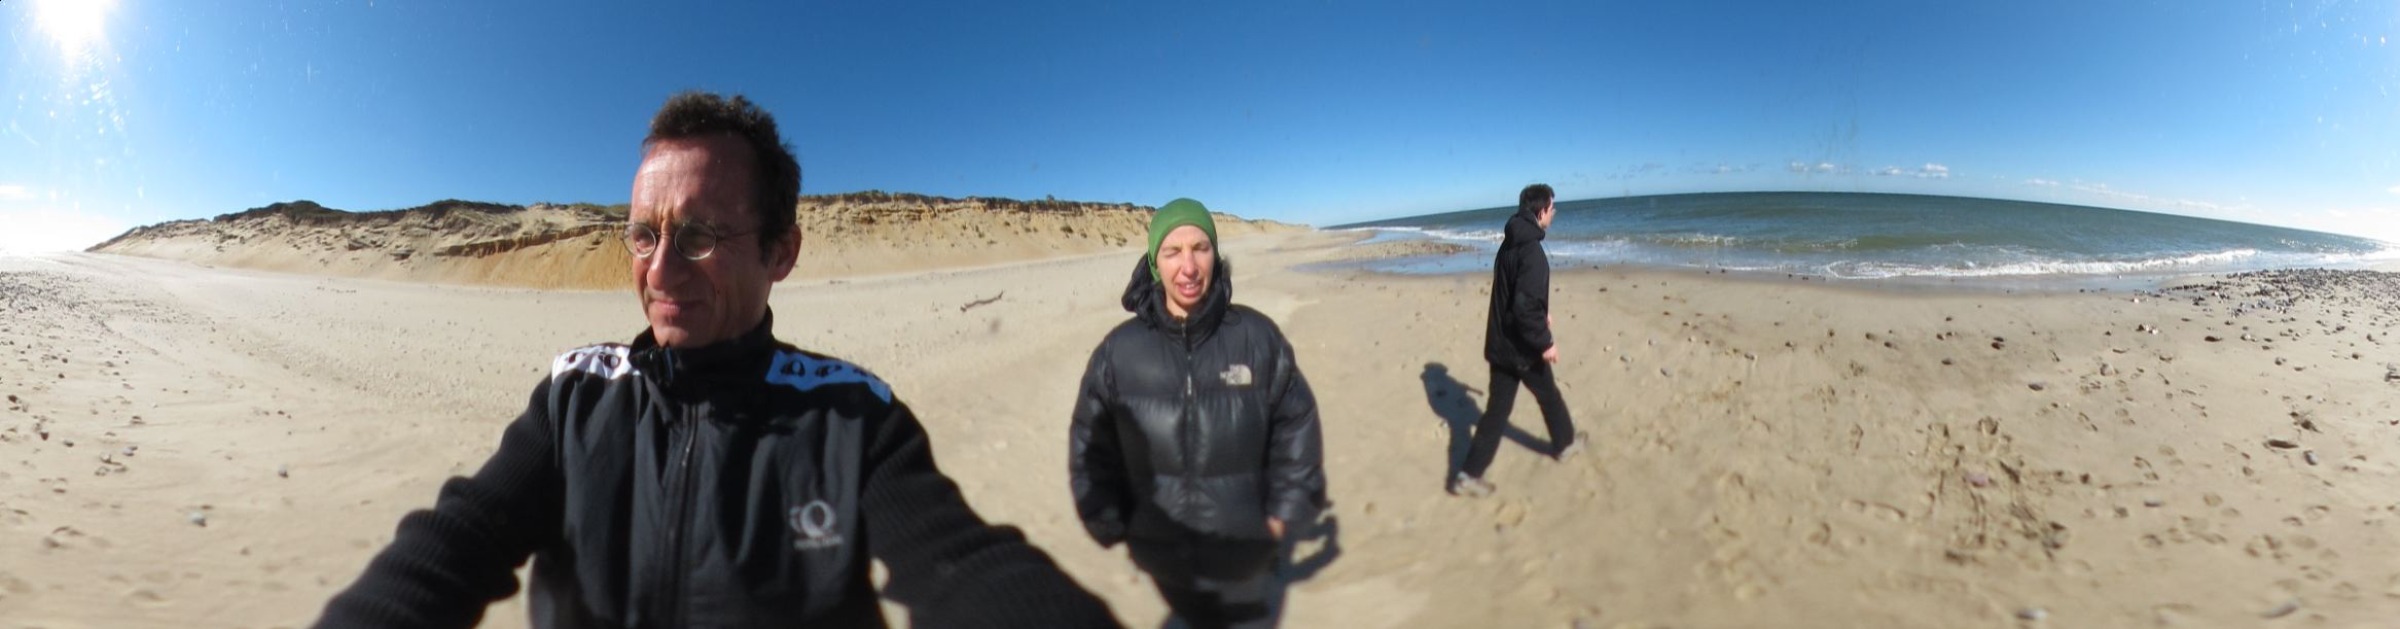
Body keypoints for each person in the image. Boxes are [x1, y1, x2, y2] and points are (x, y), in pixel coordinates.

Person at [315, 92, 1120, 628]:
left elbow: (963, 563)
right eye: (644, 234)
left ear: (781, 252)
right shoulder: (574, 399)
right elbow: (454, 542)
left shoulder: (849, 417)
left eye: (700, 236)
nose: (660, 272)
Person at [1068, 198, 1328, 629]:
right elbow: (1090, 441)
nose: (1188, 267)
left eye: (1200, 248)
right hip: (1160, 552)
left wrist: (1284, 512)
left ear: (1215, 255)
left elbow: (1296, 423)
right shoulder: (1119, 352)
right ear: (1155, 264)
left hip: (1244, 550)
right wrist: (1105, 516)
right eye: (1173, 252)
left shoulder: (1257, 337)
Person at [1451, 183, 1581, 498]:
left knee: (1497, 411)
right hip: (1522, 349)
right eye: (1552, 207)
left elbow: (1514, 296)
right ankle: (1566, 444)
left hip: (1501, 344)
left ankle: (1468, 475)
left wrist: (1541, 314)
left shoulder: (1510, 242)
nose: (1554, 212)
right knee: (1548, 396)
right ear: (1542, 211)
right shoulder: (1532, 252)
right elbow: (1524, 308)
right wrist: (1546, 342)